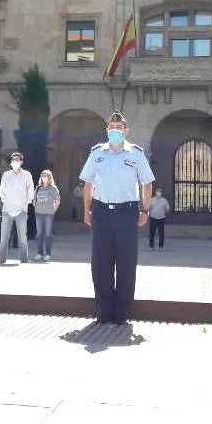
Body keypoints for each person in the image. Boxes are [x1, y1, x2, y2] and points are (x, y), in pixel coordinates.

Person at [79, 111, 155, 325]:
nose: (115, 130)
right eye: (111, 127)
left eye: (119, 127)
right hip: (101, 212)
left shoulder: (136, 154)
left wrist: (145, 210)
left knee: (126, 263)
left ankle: (122, 311)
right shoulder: (97, 153)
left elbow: (147, 183)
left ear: (126, 130)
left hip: (127, 212)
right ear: (107, 130)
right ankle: (104, 309)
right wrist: (87, 210)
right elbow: (88, 184)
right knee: (101, 262)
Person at [0, 151, 33, 264]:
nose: (15, 162)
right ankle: (2, 259)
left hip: (21, 210)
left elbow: (30, 190)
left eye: (17, 160)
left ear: (21, 161)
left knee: (22, 238)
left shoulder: (27, 175)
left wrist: (25, 204)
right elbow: (2, 191)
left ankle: (24, 260)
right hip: (7, 210)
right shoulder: (6, 175)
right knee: (4, 238)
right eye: (13, 160)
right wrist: (6, 202)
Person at [33, 169, 61, 261]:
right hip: (39, 214)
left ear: (49, 178)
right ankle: (39, 253)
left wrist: (53, 210)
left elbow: (57, 201)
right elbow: (34, 200)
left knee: (48, 234)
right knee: (39, 234)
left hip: (49, 214)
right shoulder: (38, 188)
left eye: (46, 176)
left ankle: (48, 253)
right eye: (42, 176)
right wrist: (36, 207)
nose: (44, 177)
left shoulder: (53, 188)